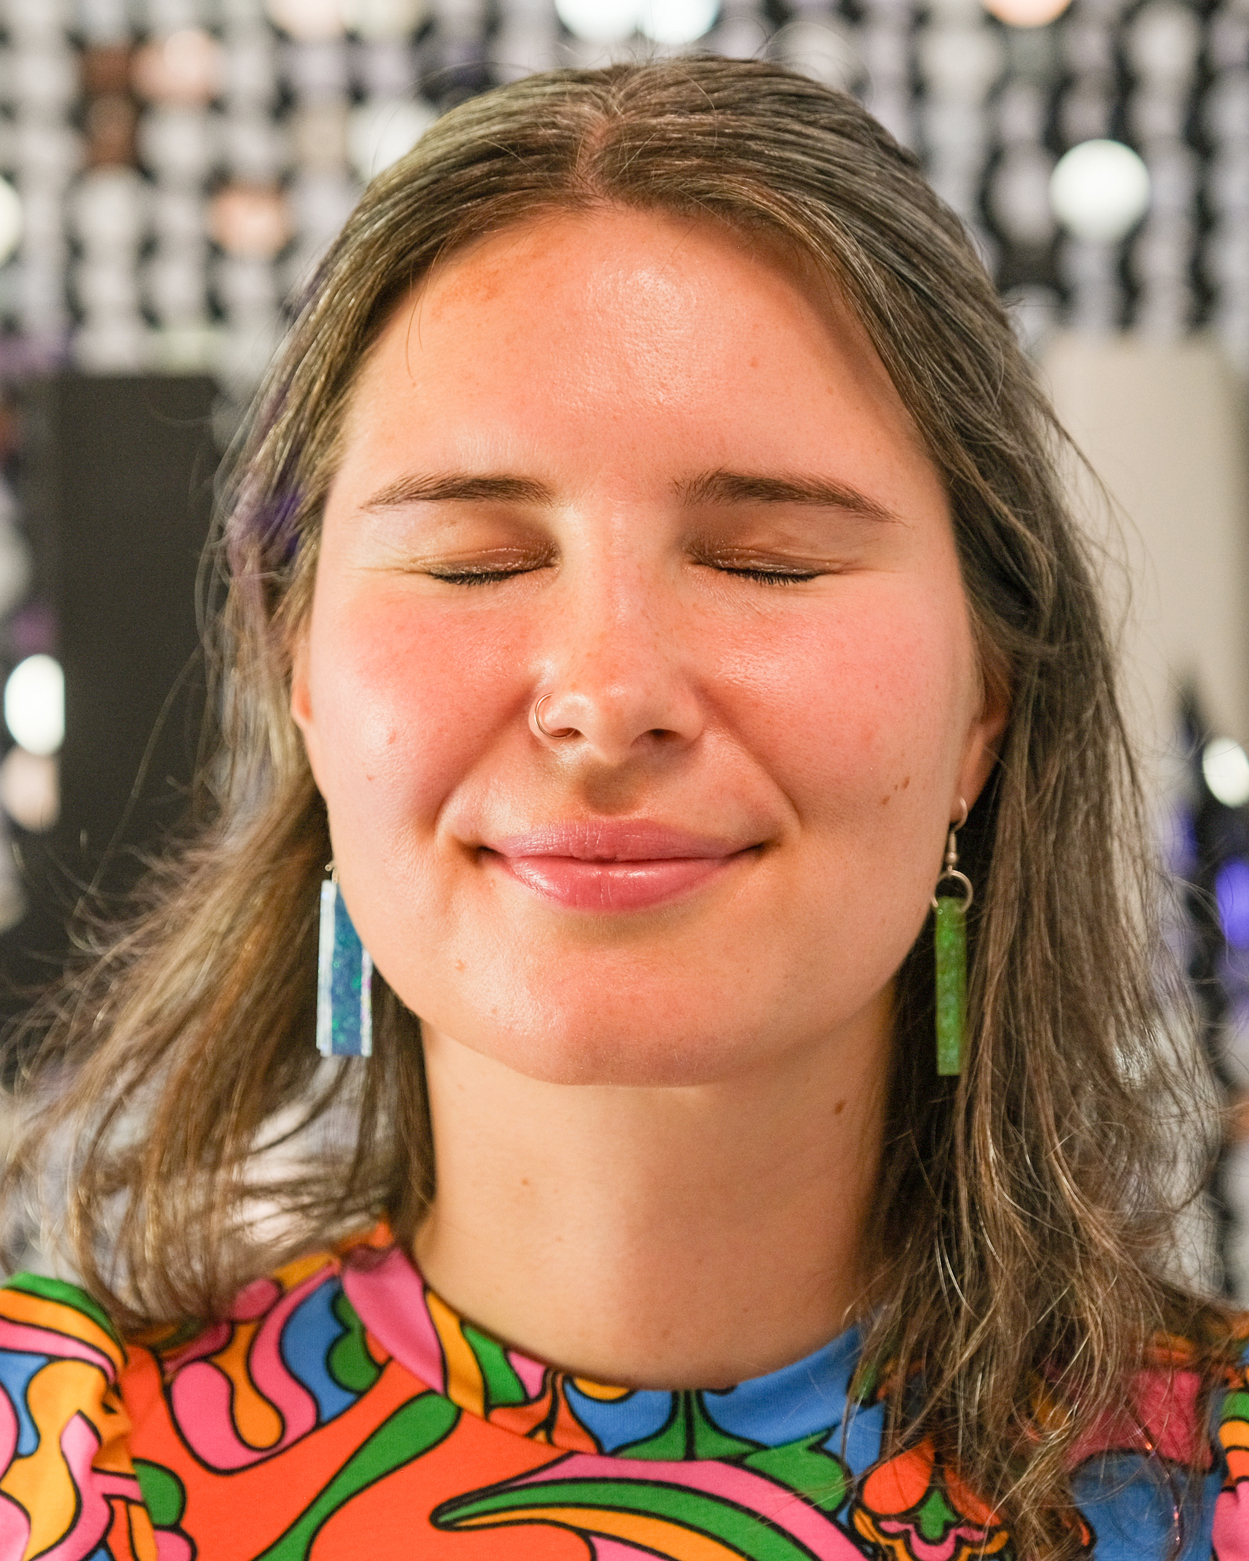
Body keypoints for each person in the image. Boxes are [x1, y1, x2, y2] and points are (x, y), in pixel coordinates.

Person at [0, 56, 1243, 1561]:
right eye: (471, 557)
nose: (603, 692)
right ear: (299, 673)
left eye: (764, 559)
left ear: (982, 697)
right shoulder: (58, 1477)